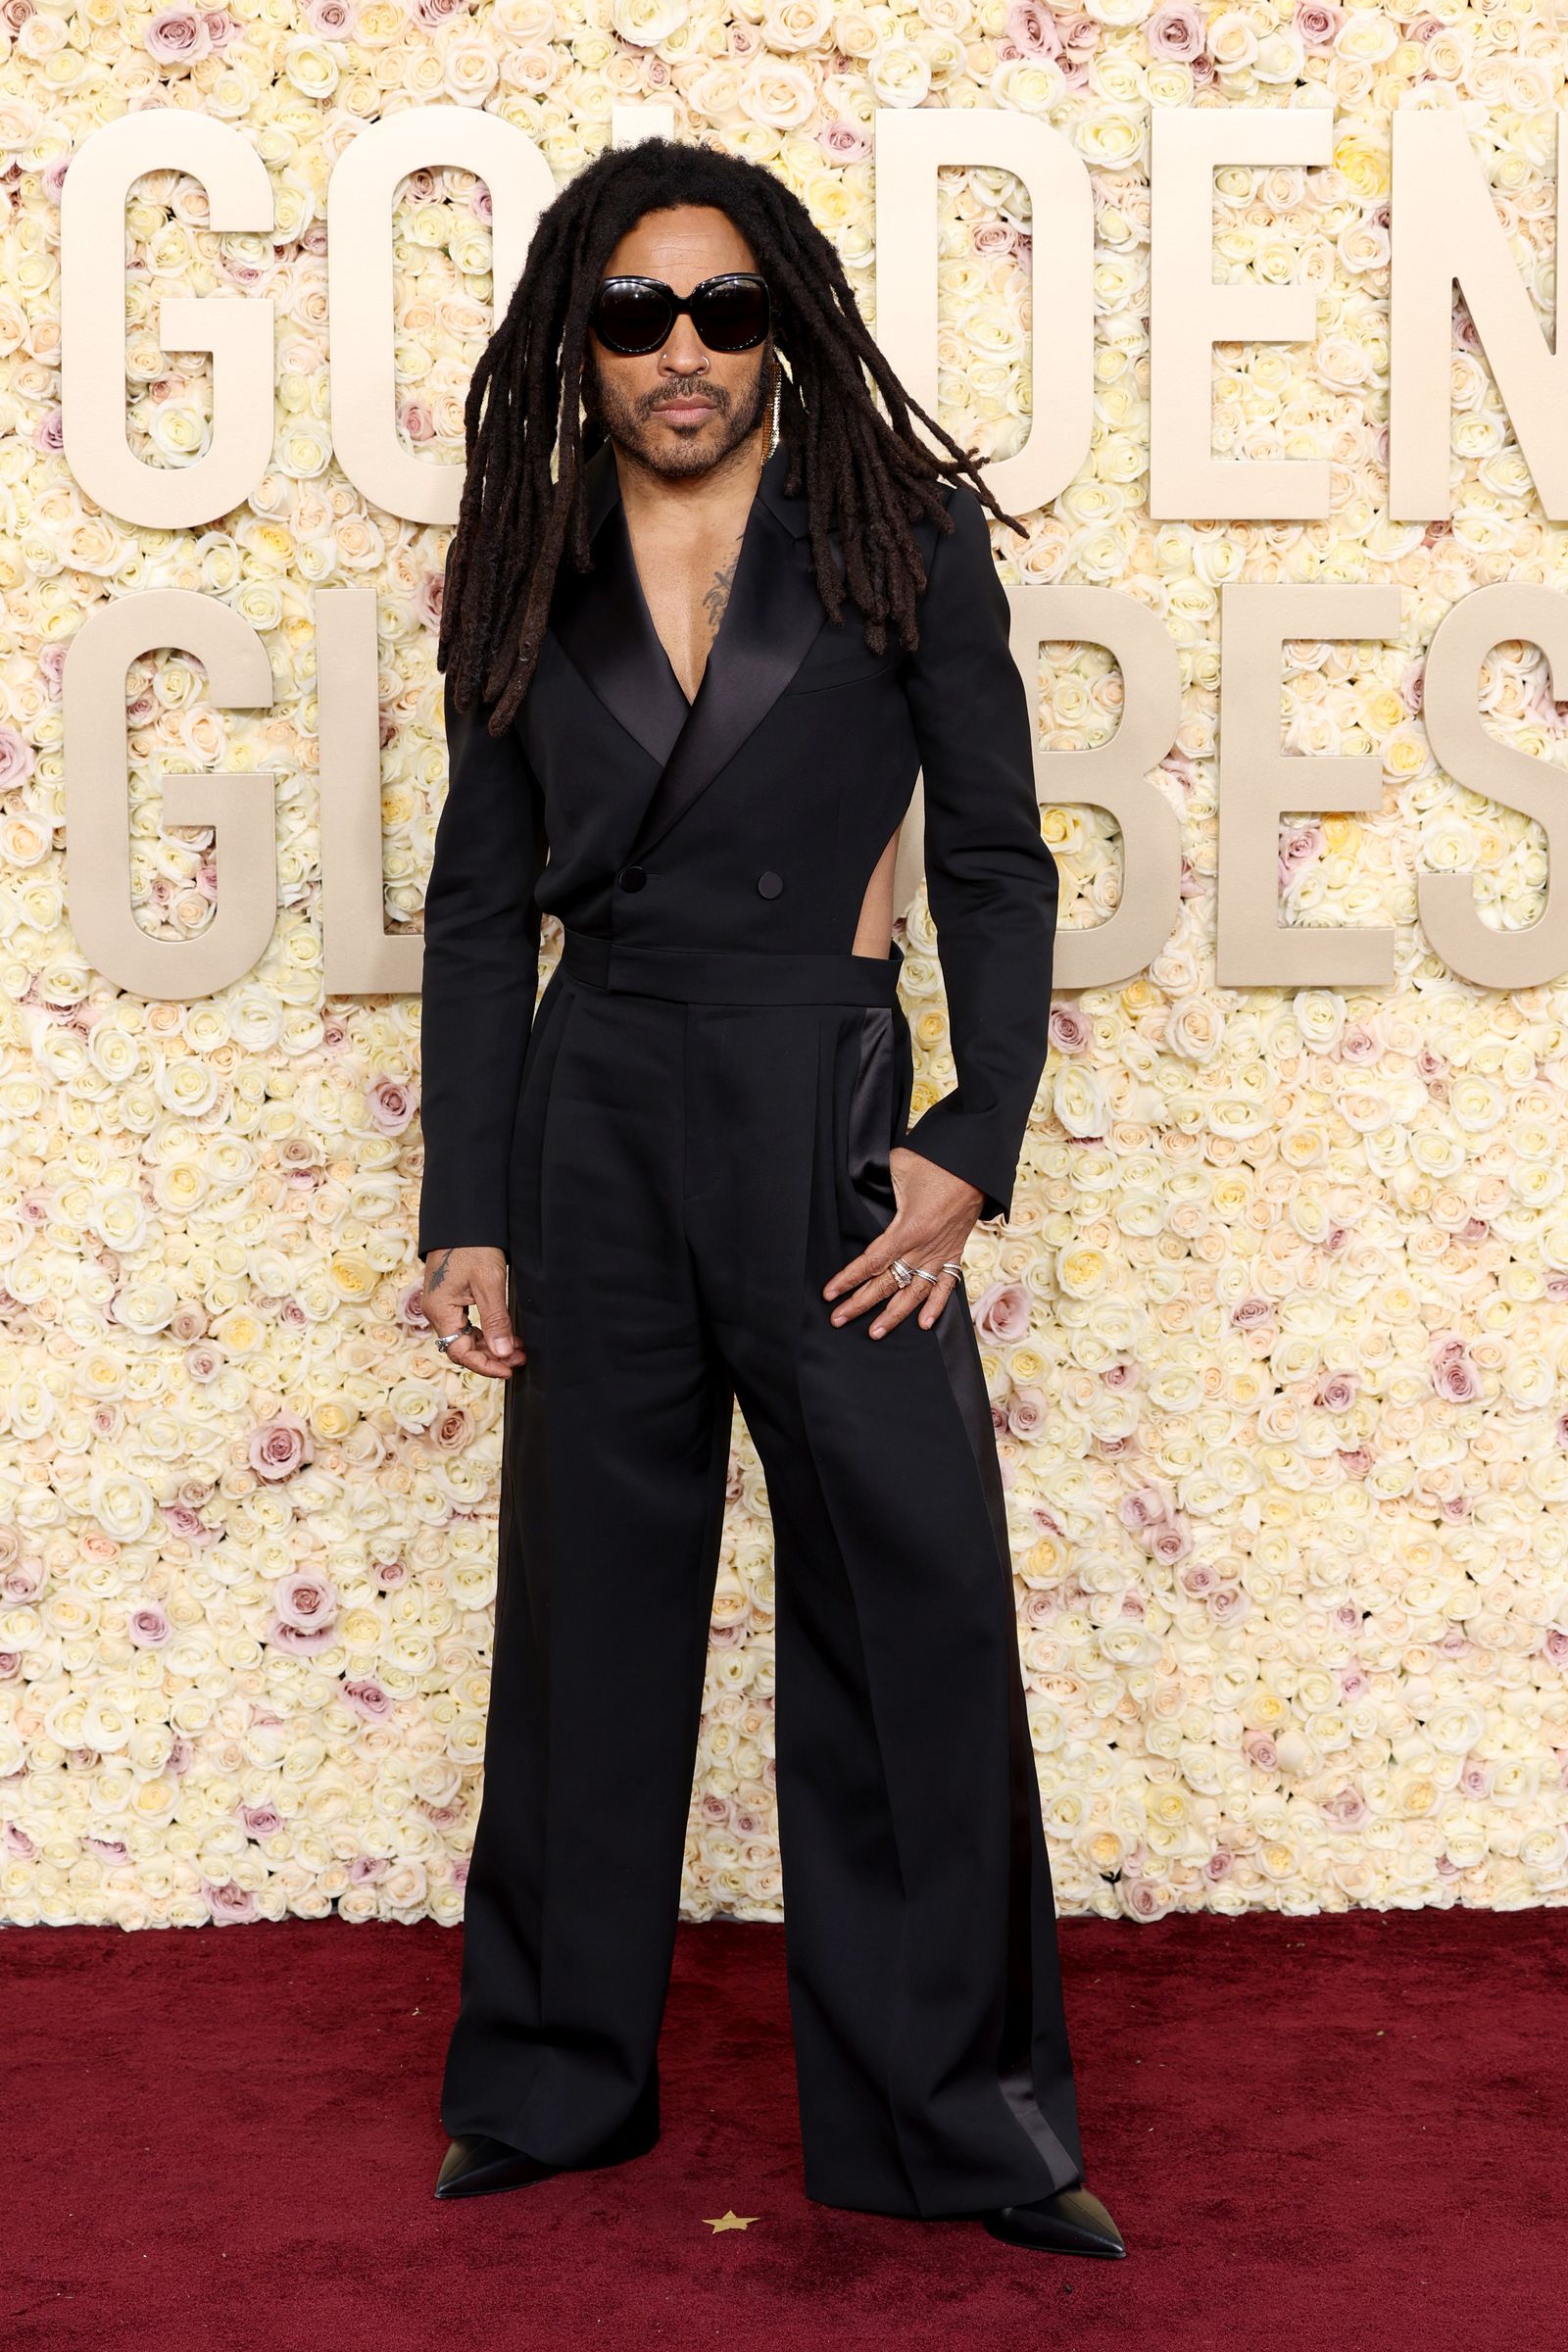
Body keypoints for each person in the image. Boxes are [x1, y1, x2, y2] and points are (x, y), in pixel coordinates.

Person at [416, 134, 1124, 2262]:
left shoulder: (897, 530)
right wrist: (468, 1204)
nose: (683, 349)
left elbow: (992, 857)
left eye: (724, 308)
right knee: (586, 1614)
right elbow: (478, 906)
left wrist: (971, 1133)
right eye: (636, 312)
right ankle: (550, 2086)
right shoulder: (524, 553)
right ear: (582, 338)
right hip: (600, 1104)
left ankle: (957, 2123)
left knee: (913, 1604)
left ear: (780, 326)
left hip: (827, 1106)